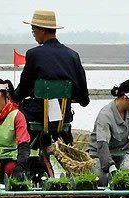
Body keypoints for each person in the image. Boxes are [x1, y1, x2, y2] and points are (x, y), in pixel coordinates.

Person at [14, 9, 90, 148]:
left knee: (17, 115)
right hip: (63, 117)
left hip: (37, 115)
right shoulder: (73, 55)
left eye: (33, 31)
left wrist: (14, 98)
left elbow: (24, 88)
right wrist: (79, 99)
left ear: (42, 30)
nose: (33, 35)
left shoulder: (34, 54)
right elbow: (83, 94)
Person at [87, 79, 129, 186]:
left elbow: (127, 129)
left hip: (122, 151)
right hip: (100, 155)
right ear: (125, 98)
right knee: (101, 178)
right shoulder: (105, 115)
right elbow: (102, 145)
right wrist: (110, 166)